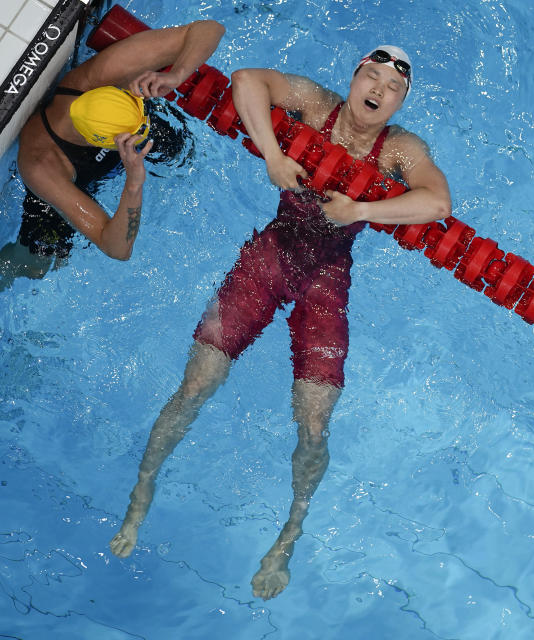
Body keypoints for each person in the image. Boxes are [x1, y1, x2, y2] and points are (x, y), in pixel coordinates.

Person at [110, 46, 452, 600]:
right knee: (198, 381)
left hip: (327, 276)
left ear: (400, 101)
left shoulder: (403, 151)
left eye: (391, 87)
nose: (377, 88)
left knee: (314, 423)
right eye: (371, 75)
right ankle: (142, 490)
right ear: (353, 77)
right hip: (271, 255)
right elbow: (246, 80)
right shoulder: (315, 105)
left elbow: (438, 203)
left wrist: (360, 210)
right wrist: (271, 156)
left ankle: (289, 532)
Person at [0, 18, 225, 358]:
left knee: (182, 151)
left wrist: (176, 74)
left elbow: (208, 29)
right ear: (108, 143)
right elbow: (116, 247)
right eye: (135, 131)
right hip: (72, 179)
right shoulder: (42, 166)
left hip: (109, 136)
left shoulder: (98, 76)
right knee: (39, 261)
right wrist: (133, 183)